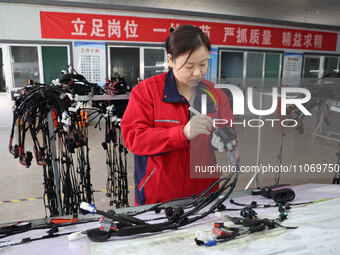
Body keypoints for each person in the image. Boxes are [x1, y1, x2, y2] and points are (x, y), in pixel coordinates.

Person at [121, 24, 234, 206]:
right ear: (171, 60)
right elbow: (133, 138)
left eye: (203, 64)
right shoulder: (146, 92)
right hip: (158, 196)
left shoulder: (216, 94)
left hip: (205, 192)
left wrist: (222, 139)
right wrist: (181, 134)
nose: (198, 72)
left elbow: (227, 128)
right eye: (189, 66)